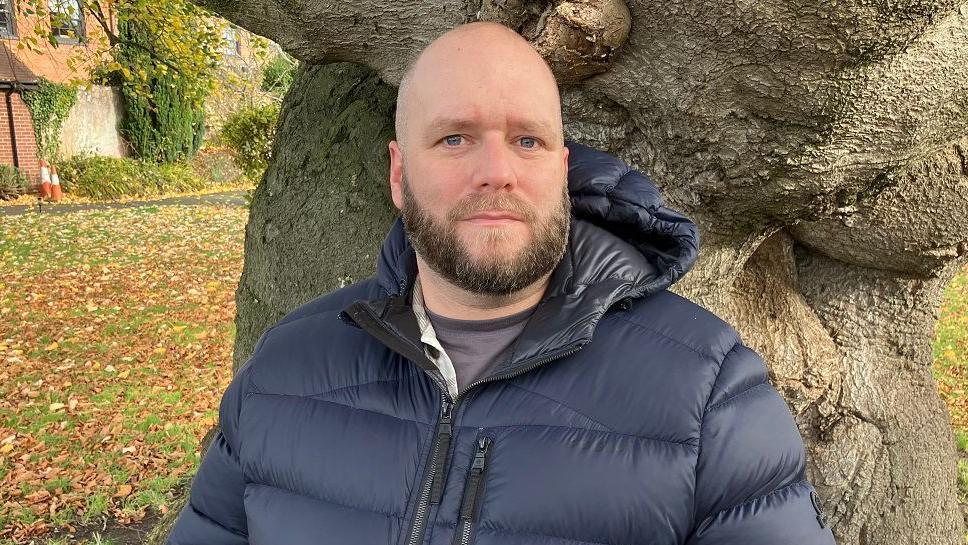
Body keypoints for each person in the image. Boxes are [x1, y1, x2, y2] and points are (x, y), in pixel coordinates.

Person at [168, 21, 836, 545]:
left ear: (562, 169)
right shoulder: (284, 371)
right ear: (399, 175)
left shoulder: (711, 396)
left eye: (527, 141)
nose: (497, 171)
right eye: (456, 138)